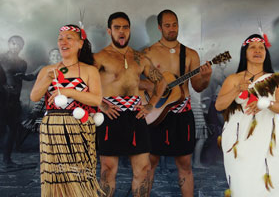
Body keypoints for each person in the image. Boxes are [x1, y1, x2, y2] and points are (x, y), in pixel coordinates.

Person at [93, 12, 167, 197]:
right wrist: (101, 104)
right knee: (108, 170)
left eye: (125, 27)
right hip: (111, 116)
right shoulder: (100, 57)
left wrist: (150, 105)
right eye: (117, 28)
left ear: (129, 30)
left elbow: (162, 82)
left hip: (135, 116)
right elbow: (84, 82)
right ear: (109, 31)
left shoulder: (139, 58)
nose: (121, 31)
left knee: (143, 169)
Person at [141, 9, 212, 196]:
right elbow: (134, 82)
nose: (172, 29)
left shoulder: (190, 54)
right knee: (149, 163)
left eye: (175, 24)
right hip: (156, 113)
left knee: (185, 164)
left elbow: (197, 87)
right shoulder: (148, 53)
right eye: (167, 25)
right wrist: (153, 88)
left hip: (182, 114)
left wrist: (205, 78)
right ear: (159, 27)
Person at [215, 34, 279, 197]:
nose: (257, 51)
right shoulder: (233, 79)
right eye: (253, 47)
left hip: (265, 141)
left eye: (261, 48)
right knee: (242, 185)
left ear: (266, 53)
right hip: (238, 141)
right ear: (245, 52)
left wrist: (265, 104)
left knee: (267, 185)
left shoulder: (275, 79)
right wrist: (237, 89)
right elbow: (219, 105)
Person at [30, 24, 102, 196]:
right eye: (60, 38)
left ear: (80, 44)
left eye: (69, 38)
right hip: (53, 128)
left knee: (80, 176)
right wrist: (47, 80)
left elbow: (96, 99)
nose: (63, 42)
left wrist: (69, 91)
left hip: (80, 127)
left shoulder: (89, 70)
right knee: (56, 179)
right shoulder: (48, 70)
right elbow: (34, 97)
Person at [0, 35, 35, 167]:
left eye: (19, 45)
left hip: (14, 100)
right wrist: (4, 87)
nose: (16, 47)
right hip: (1, 98)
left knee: (13, 129)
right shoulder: (1, 58)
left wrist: (32, 74)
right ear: (9, 44)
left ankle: (7, 160)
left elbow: (21, 79)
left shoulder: (22, 63)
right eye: (13, 43)